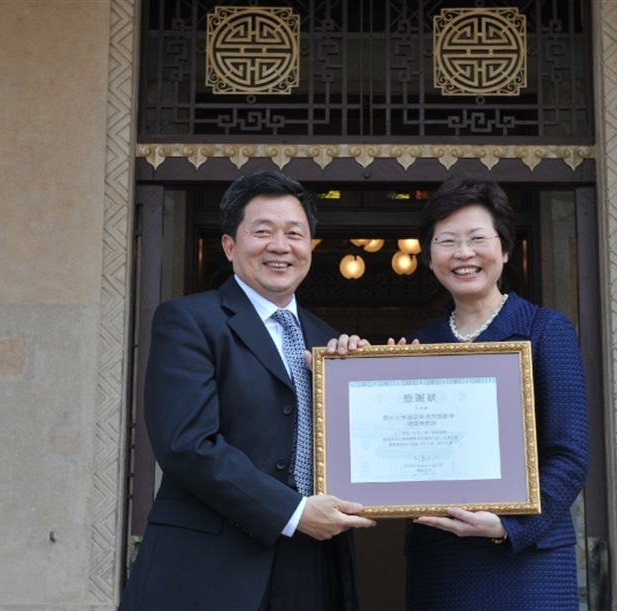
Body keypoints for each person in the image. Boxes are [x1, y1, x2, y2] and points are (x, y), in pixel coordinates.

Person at [119, 170, 376, 611]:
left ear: (309, 247)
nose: (281, 245)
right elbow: (187, 445)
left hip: (314, 564)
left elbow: (361, 449)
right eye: (263, 231)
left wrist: (371, 379)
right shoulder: (190, 321)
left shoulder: (330, 342)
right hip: (210, 568)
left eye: (295, 233)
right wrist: (293, 513)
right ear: (229, 245)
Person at [402, 175, 589, 610]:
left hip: (527, 563)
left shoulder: (546, 331)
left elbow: (570, 455)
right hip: (442, 563)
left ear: (504, 249)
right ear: (429, 258)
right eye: (446, 241)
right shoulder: (417, 348)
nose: (463, 254)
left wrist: (508, 524)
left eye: (477, 239)